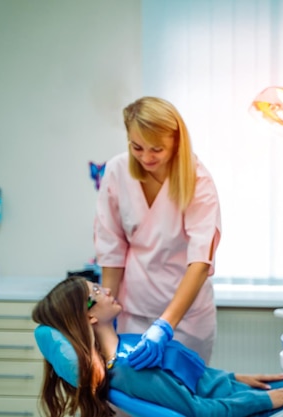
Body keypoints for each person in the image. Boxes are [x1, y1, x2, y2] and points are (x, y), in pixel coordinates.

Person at [32, 275, 283, 417]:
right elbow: (199, 411)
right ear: (89, 316)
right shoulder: (131, 369)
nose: (107, 290)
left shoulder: (128, 345)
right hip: (239, 404)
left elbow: (190, 379)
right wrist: (263, 400)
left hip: (235, 390)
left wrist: (237, 378)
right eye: (97, 293)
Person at [94, 96, 222, 365]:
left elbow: (200, 261)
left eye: (157, 149)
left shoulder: (198, 181)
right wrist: (103, 319)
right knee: (133, 400)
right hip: (132, 312)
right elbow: (112, 252)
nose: (146, 157)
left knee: (185, 400)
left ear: (176, 142)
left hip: (186, 318)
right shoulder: (118, 171)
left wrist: (165, 325)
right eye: (136, 147)